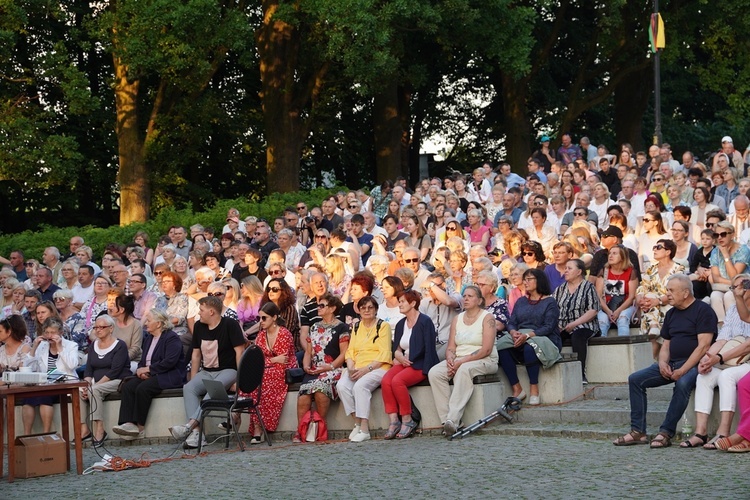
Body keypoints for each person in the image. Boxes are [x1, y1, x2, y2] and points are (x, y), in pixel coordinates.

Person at [613, 274, 717, 448]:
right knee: (635, 379)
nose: (667, 294)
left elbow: (703, 347)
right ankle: (638, 431)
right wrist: (662, 363)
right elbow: (666, 345)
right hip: (671, 363)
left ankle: (665, 432)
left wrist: (683, 370)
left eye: (671, 290)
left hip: (696, 365)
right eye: (667, 290)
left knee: (683, 383)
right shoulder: (671, 314)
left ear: (685, 293)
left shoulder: (703, 310)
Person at [681, 274, 750, 449]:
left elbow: (747, 347)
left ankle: (723, 431)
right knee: (704, 375)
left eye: (742, 286)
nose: (737, 291)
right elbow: (722, 339)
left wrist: (718, 358)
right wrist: (707, 359)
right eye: (733, 288)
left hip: (745, 362)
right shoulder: (734, 310)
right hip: (728, 359)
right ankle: (700, 432)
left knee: (726, 376)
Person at [169, 296, 245, 449]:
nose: (198, 313)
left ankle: (189, 427)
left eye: (201, 310)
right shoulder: (199, 326)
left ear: (211, 312)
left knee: (213, 389)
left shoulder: (230, 325)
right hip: (207, 371)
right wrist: (194, 378)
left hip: (228, 371)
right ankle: (197, 433)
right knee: (189, 388)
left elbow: (240, 352)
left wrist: (240, 376)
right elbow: (196, 354)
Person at [428, 285, 499, 435]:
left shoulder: (487, 318)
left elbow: (486, 349)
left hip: (484, 360)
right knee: (435, 373)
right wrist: (450, 358)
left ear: (479, 300)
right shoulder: (457, 319)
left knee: (464, 370)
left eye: (470, 296)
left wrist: (461, 362)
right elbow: (451, 346)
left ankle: (452, 419)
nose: (465, 298)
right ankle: (448, 421)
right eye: (464, 296)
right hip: (460, 358)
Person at [113, 309, 185, 440]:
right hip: (151, 374)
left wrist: (149, 370)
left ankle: (140, 427)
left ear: (158, 324)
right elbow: (142, 361)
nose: (145, 323)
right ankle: (128, 423)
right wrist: (142, 371)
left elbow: (170, 361)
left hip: (168, 375)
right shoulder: (149, 338)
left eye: (149, 320)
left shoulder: (171, 337)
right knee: (128, 386)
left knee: (143, 388)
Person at [382, 289, 439, 440]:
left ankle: (407, 419)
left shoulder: (425, 321)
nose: (399, 305)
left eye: (402, 302)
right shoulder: (401, 323)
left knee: (397, 381)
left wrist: (427, 370)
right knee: (386, 381)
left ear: (413, 303)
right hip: (404, 362)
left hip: (420, 364)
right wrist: (398, 355)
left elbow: (429, 348)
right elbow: (398, 347)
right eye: (399, 301)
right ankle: (394, 420)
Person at [499, 269, 561, 405]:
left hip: (544, 338)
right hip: (520, 335)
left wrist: (527, 335)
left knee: (529, 347)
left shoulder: (550, 302)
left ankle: (534, 388)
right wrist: (513, 332)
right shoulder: (521, 301)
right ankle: (517, 388)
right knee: (501, 347)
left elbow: (549, 327)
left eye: (529, 279)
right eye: (524, 279)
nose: (525, 282)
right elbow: (512, 322)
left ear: (539, 281)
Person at [294, 293, 350, 443]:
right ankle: (301, 429)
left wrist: (330, 366)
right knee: (304, 394)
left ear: (332, 308)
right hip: (315, 368)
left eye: (322, 305)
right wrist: (306, 365)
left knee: (320, 391)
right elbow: (308, 351)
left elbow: (344, 353)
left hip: (332, 369)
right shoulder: (314, 327)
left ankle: (319, 427)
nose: (318, 308)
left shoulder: (342, 327)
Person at [239, 302, 297, 443]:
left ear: (274, 317)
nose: (261, 322)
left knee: (261, 380)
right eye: (260, 318)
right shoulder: (260, 336)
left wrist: (269, 361)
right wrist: (273, 360)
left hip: (284, 369)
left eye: (264, 318)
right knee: (251, 378)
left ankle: (244, 421)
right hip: (268, 368)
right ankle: (253, 425)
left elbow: (283, 360)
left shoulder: (284, 334)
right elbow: (257, 359)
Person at [337, 296, 392, 442]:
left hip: (378, 367)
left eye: (370, 307)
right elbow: (350, 351)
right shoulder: (356, 326)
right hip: (357, 366)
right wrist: (350, 367)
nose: (367, 310)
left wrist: (366, 369)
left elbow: (384, 354)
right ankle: (357, 422)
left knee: (360, 387)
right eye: (363, 308)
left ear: (375, 310)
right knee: (342, 386)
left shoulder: (383, 326)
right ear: (359, 310)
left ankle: (365, 429)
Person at [79, 314, 131, 446]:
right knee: (78, 391)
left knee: (94, 390)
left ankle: (100, 430)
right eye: (96, 327)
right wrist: (87, 384)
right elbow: (89, 369)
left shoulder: (120, 345)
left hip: (118, 380)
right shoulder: (93, 346)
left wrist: (93, 386)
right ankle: (84, 429)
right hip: (96, 382)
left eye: (102, 327)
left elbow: (115, 371)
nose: (98, 330)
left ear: (111, 328)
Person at [22, 318, 78, 434]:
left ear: (61, 333)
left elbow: (72, 365)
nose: (49, 336)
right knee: (27, 399)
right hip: (45, 383)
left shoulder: (71, 346)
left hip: (63, 384)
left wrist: (59, 348)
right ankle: (26, 435)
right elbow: (29, 368)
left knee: (44, 397)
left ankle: (46, 433)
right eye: (47, 332)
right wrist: (34, 348)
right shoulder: (42, 346)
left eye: (53, 333)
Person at [636, 239, 686, 357]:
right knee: (648, 296)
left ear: (668, 252)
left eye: (658, 247)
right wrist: (640, 299)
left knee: (651, 300)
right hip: (651, 306)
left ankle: (654, 327)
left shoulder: (678, 269)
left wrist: (657, 301)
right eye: (654, 247)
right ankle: (654, 326)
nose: (654, 249)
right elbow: (642, 287)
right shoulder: (651, 269)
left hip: (670, 305)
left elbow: (677, 292)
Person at [555, 259, 600, 384]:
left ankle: (580, 374)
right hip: (563, 326)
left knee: (578, 336)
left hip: (585, 325)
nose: (566, 271)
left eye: (569, 268)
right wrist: (557, 324)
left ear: (579, 271)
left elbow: (593, 310)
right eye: (565, 268)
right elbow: (553, 308)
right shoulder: (560, 289)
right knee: (553, 337)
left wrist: (575, 324)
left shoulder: (588, 287)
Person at [709, 221, 749, 324]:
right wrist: (731, 283)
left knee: (729, 296)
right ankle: (722, 328)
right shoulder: (715, 251)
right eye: (716, 235)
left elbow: (735, 276)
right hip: (724, 287)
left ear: (732, 235)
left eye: (723, 234)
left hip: (744, 286)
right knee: (715, 296)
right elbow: (715, 278)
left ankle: (735, 325)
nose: (720, 238)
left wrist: (726, 256)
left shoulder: (743, 250)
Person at [596, 245, 638, 337]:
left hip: (625, 306)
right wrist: (608, 311)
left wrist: (618, 311)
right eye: (610, 253)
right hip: (605, 307)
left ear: (623, 257)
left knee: (623, 319)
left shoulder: (631, 272)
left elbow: (631, 297)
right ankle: (600, 348)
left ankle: (623, 347)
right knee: (602, 321)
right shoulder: (604, 271)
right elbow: (598, 296)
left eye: (614, 253)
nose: (610, 256)